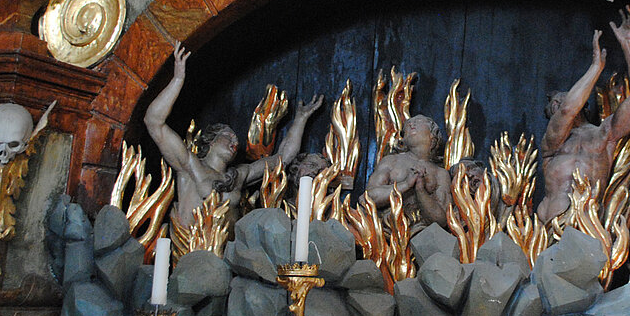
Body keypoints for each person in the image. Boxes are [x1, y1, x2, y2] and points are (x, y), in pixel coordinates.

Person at [144, 44, 324, 227]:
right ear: (211, 141)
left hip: (228, 252)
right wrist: (177, 79)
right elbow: (154, 122)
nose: (234, 141)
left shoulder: (239, 175)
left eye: (236, 140)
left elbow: (283, 158)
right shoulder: (189, 165)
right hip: (194, 250)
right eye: (228, 136)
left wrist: (300, 119)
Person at [539, 6, 630, 222]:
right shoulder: (552, 143)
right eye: (551, 106)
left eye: (560, 98)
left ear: (583, 103)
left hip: (588, 230)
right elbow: (567, 111)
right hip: (550, 229)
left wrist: (628, 44)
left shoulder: (605, 134)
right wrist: (595, 68)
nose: (556, 104)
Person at [365, 115, 452, 232]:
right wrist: (405, 185)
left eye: (418, 121)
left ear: (433, 135)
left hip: (424, 237)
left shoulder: (440, 173)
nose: (411, 124)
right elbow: (369, 196)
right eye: (408, 124)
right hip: (389, 231)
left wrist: (420, 190)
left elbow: (442, 220)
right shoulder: (391, 161)